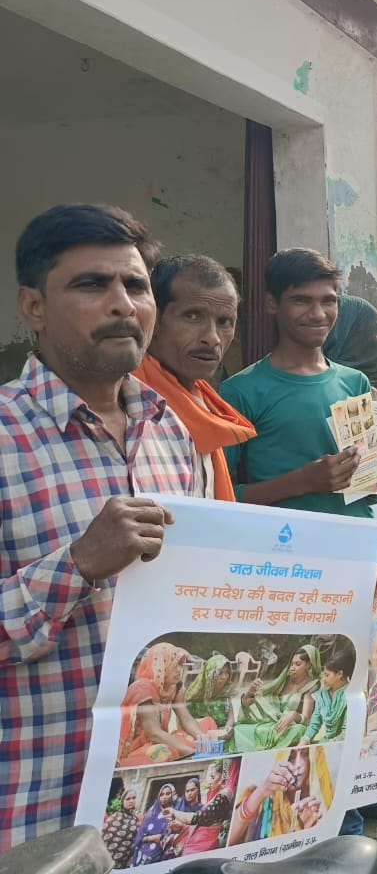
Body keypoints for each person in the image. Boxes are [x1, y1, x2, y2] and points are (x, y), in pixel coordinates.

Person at [1, 205, 197, 848]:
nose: (122, 304)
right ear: (33, 306)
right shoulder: (5, 436)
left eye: (136, 285)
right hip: (40, 811)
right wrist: (78, 564)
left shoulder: (171, 431)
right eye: (91, 284)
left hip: (157, 804)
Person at [220, 250, 372, 517]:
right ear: (271, 304)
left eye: (329, 301)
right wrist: (303, 482)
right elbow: (219, 496)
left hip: (358, 538)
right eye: (301, 301)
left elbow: (369, 487)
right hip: (286, 541)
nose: (318, 314)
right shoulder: (241, 392)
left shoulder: (355, 382)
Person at [133, 255, 256, 500]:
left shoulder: (204, 407)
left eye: (225, 322)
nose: (212, 338)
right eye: (192, 316)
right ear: (153, 320)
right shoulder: (130, 407)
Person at [117, 641, 214, 766]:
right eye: (174, 665)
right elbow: (154, 734)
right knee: (162, 752)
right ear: (160, 666)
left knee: (206, 726)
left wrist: (202, 739)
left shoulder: (174, 687)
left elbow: (187, 720)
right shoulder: (141, 689)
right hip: (138, 749)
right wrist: (190, 752)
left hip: (161, 740)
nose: (179, 670)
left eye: (181, 665)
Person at [228, 645, 323, 753]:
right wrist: (251, 694)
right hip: (272, 723)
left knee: (299, 730)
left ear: (309, 665)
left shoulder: (312, 685)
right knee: (238, 729)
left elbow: (306, 719)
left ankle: (272, 754)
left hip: (288, 728)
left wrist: (293, 715)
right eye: (292, 664)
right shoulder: (284, 680)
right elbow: (266, 701)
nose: (292, 668)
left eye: (298, 664)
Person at [302, 649, 353, 744]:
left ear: (339, 674)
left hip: (344, 744)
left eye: (327, 675)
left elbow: (347, 732)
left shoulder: (351, 696)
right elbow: (314, 724)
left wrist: (328, 745)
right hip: (326, 742)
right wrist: (305, 739)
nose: (323, 678)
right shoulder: (322, 695)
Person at [132, 783, 178, 866]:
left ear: (173, 795)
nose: (164, 797)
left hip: (163, 859)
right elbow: (139, 837)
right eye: (162, 794)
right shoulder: (151, 814)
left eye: (168, 794)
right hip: (143, 856)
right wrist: (153, 838)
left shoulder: (177, 813)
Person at [102, 787, 141, 869]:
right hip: (110, 861)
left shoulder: (135, 818)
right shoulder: (115, 817)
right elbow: (104, 837)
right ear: (122, 801)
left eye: (134, 798)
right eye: (128, 799)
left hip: (125, 863)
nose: (131, 801)